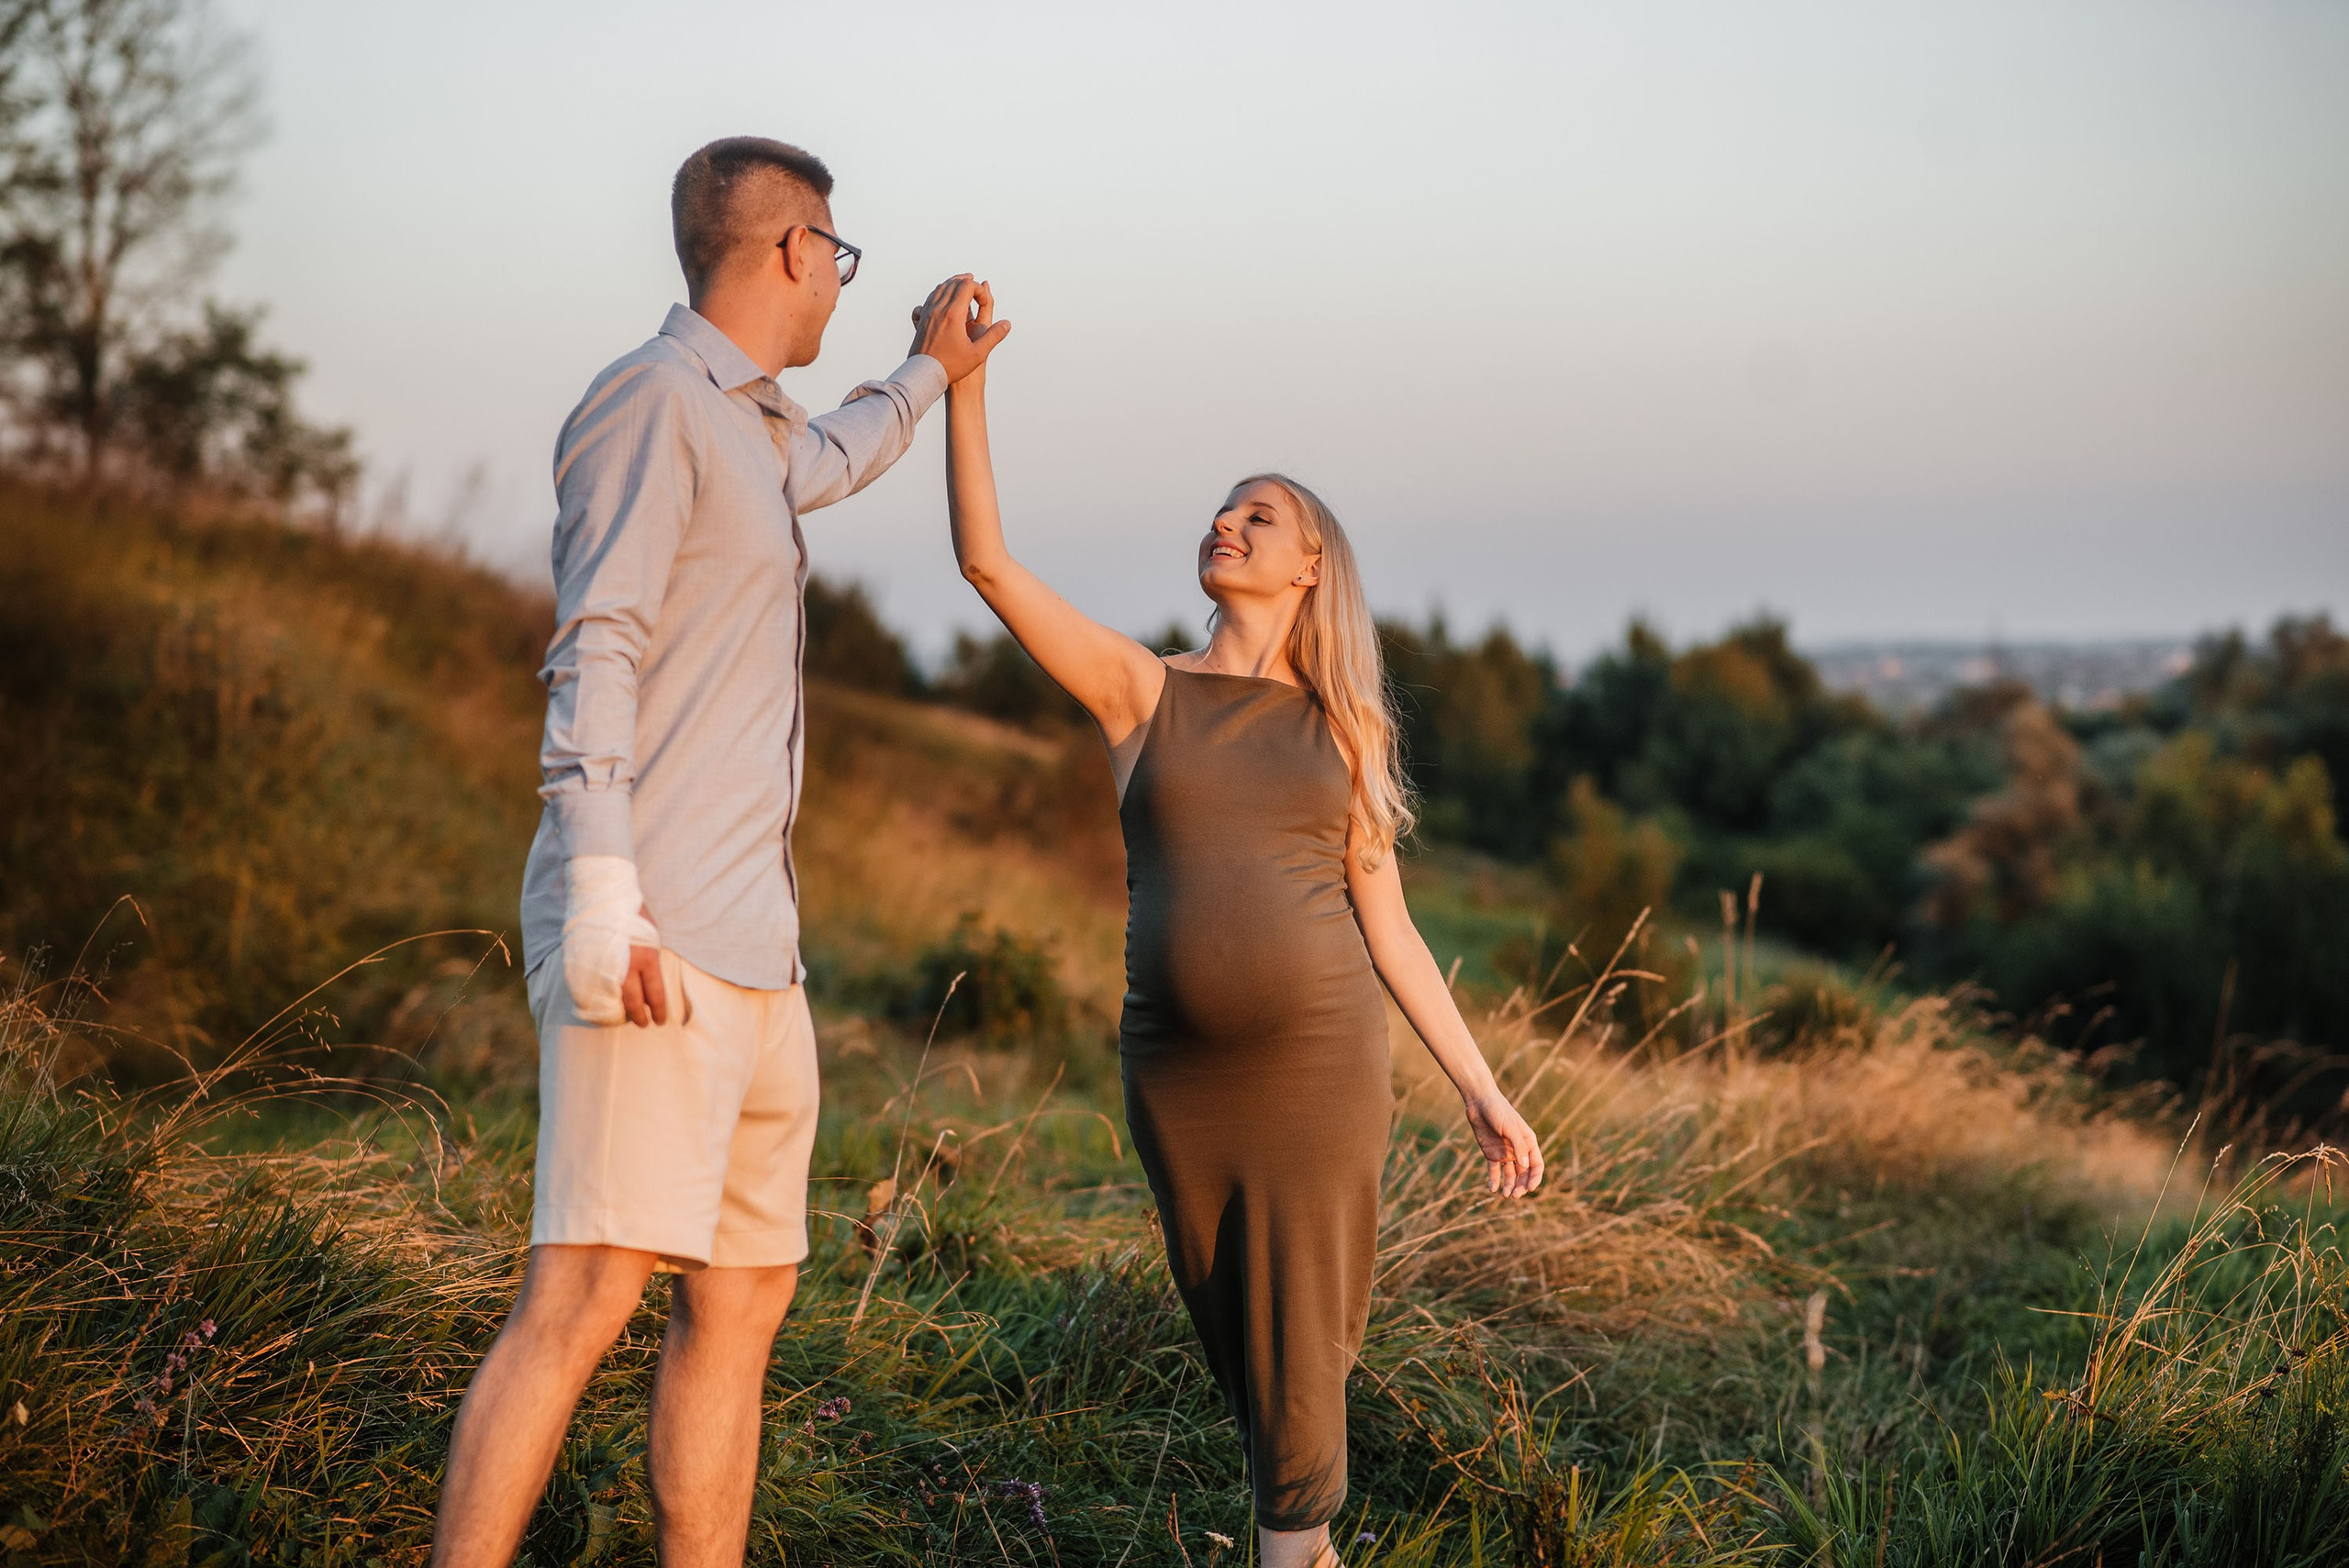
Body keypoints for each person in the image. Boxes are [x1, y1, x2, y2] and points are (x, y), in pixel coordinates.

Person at [429, 138, 1007, 1568]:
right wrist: (608, 898)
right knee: (579, 1297)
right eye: (838, 255)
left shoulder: (750, 431)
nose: (838, 283)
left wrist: (931, 371)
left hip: (763, 958)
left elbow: (834, 455)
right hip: (656, 937)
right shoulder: (647, 403)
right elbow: (596, 650)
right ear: (794, 247)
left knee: (740, 1307)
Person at [929, 284, 1545, 1568]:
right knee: (1247, 1349)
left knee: (1299, 1364)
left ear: (1308, 565)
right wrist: (962, 385)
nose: (1227, 520)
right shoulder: (1141, 690)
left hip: (1323, 1064)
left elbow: (1393, 930)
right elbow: (986, 563)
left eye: (1258, 515)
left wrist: (1482, 1086)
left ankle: (1287, 1548)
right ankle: (1307, 1548)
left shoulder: (1343, 733)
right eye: (1223, 507)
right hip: (1181, 1074)